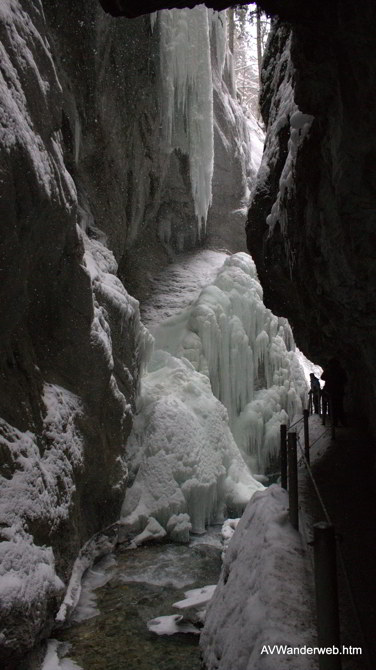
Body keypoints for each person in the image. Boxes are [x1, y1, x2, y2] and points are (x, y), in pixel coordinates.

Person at [321, 358, 347, 427]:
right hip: (339, 391)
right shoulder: (341, 370)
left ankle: (334, 422)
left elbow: (322, 377)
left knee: (332, 407)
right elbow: (345, 380)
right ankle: (343, 421)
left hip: (330, 392)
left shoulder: (329, 370)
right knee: (340, 407)